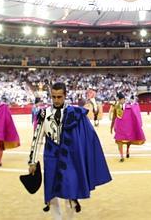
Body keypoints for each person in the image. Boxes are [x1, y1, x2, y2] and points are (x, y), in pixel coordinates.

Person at [28, 82, 112, 219]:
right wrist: (32, 161)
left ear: (65, 96)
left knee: (70, 189)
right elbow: (37, 139)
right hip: (50, 157)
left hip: (69, 157)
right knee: (52, 191)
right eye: (53, 97)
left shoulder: (74, 113)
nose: (56, 100)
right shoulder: (43, 114)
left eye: (59, 97)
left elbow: (87, 136)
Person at [110, 93, 146, 162]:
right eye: (121, 99)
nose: (122, 100)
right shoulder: (117, 107)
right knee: (119, 140)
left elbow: (134, 115)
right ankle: (121, 156)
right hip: (119, 127)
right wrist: (111, 127)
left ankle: (127, 150)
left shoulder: (129, 106)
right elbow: (114, 118)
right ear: (119, 99)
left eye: (123, 99)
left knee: (128, 140)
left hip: (128, 126)